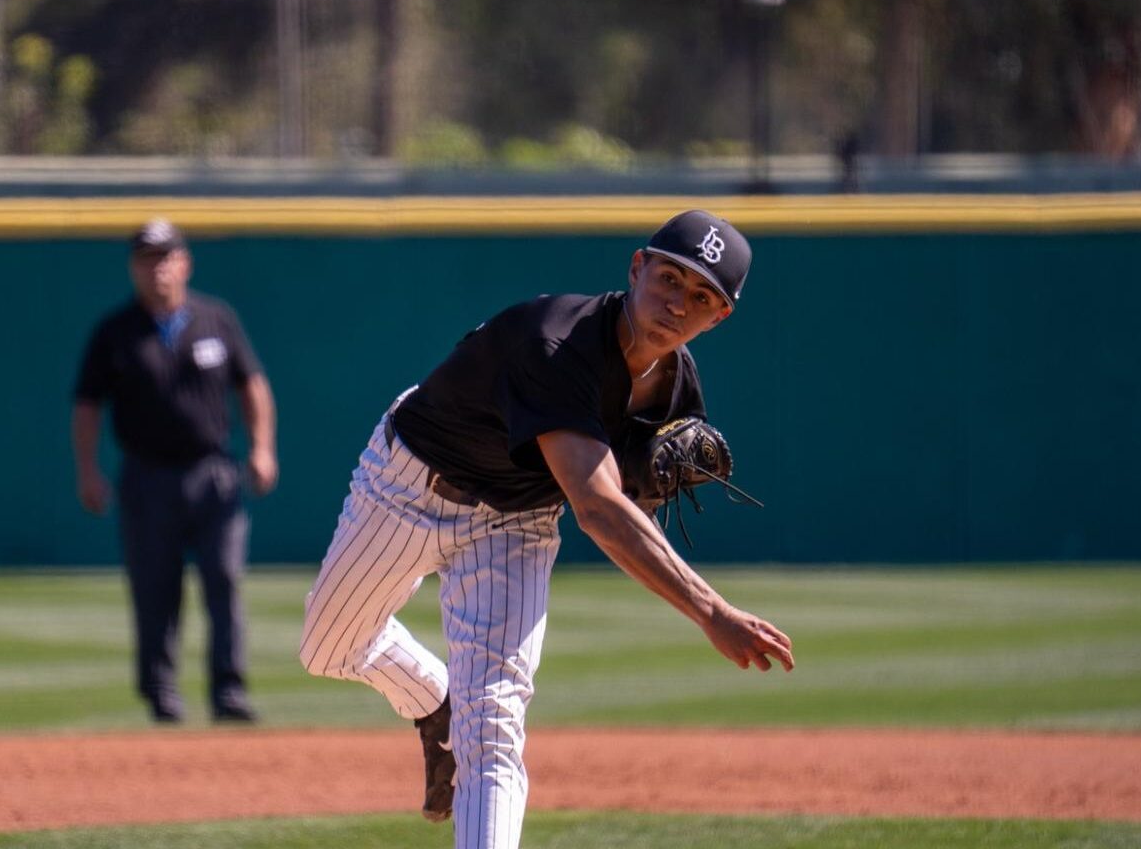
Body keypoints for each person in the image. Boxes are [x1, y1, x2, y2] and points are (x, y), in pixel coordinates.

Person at [298, 209, 794, 848]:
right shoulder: (556, 342)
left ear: (718, 316)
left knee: (494, 730)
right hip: (411, 483)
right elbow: (596, 507)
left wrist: (636, 489)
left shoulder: (675, 387)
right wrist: (710, 611)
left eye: (701, 296)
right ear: (638, 267)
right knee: (329, 648)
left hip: (518, 520)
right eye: (670, 278)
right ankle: (432, 698)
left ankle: (466, 721)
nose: (678, 303)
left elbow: (621, 495)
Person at [73, 218, 278, 724]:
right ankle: (161, 693)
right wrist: (88, 469)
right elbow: (86, 404)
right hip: (147, 476)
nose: (157, 268)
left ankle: (228, 692)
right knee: (154, 588)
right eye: (146, 258)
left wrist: (262, 448)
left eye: (165, 257)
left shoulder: (215, 319)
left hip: (213, 472)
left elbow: (252, 385)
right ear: (133, 268)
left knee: (224, 579)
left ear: (184, 263)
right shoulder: (116, 332)